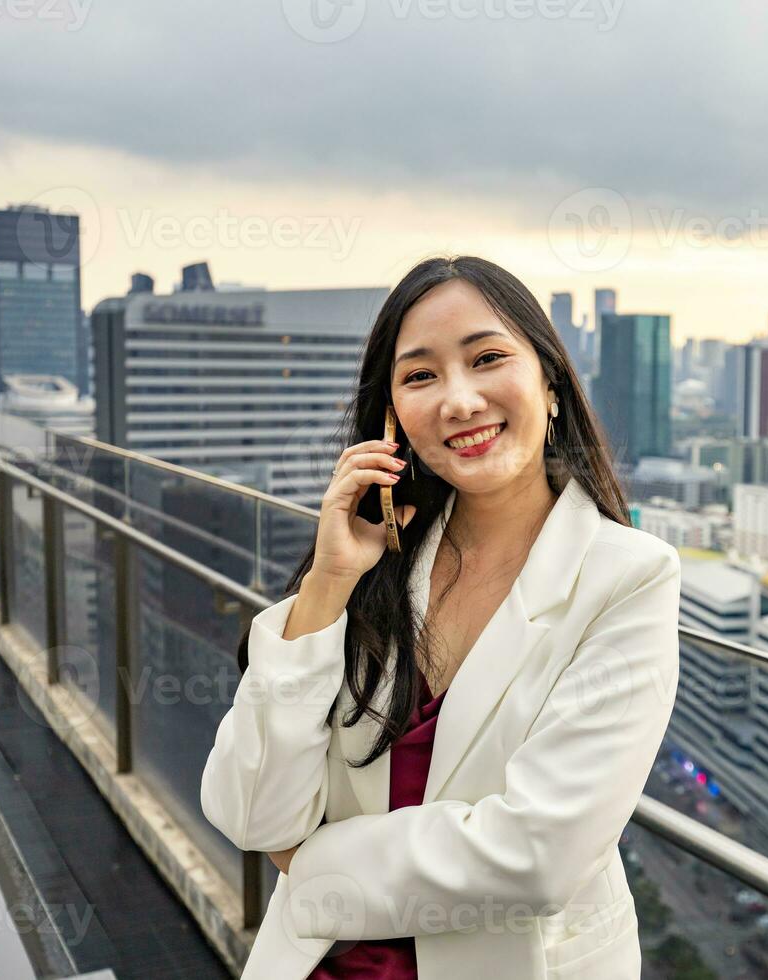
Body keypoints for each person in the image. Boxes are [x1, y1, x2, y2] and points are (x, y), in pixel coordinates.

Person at [200, 255, 681, 979]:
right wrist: (329, 582)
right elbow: (252, 816)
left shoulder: (627, 577)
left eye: (488, 358)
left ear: (550, 384)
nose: (460, 400)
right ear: (393, 417)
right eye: (421, 375)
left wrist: (316, 868)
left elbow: (537, 858)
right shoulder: (375, 565)